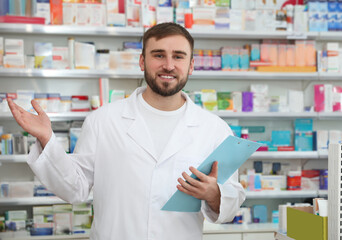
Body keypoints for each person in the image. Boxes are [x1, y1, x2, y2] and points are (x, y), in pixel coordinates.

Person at [8, 22, 245, 240]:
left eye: (179, 56)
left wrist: (214, 194)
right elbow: (75, 188)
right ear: (142, 61)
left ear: (191, 65)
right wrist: (47, 139)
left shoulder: (214, 129)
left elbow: (231, 202)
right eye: (159, 55)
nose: (169, 65)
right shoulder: (103, 120)